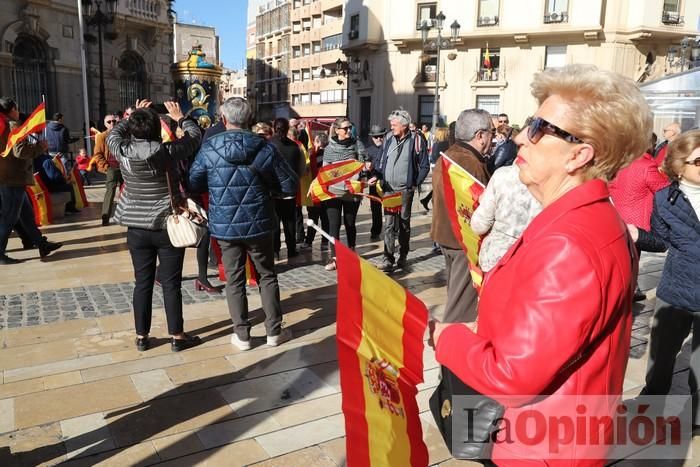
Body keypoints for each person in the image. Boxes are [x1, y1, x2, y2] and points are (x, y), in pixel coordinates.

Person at [431, 64, 650, 464]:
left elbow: (514, 378)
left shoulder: (567, 243)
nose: (519, 137)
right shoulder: (593, 218)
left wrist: (446, 338)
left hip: (540, 444)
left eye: (537, 127)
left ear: (579, 155)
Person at [189, 97, 298, 351]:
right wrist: (270, 189)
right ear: (250, 120)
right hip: (259, 222)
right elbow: (289, 183)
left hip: (225, 224)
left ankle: (242, 335)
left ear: (224, 119)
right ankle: (274, 331)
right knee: (267, 275)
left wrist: (215, 187)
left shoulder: (210, 148)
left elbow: (193, 182)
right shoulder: (264, 147)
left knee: (234, 279)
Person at [107, 100, 202, 353]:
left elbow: (113, 134)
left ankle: (141, 336)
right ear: (156, 129)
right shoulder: (167, 151)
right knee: (171, 284)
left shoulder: (122, 150)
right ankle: (177, 336)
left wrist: (134, 115)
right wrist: (180, 117)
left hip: (136, 228)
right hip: (166, 226)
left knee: (142, 283)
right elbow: (194, 137)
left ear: (134, 129)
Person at [630, 129, 700, 428]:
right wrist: (636, 235)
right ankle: (650, 405)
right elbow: (661, 240)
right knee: (661, 355)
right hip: (676, 291)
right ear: (680, 164)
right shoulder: (664, 199)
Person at [429, 109, 492, 323]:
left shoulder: (451, 154)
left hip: (447, 237)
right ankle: (450, 347)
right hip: (463, 242)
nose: (492, 138)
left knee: (456, 295)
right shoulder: (470, 163)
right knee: (461, 307)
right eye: (491, 133)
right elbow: (482, 207)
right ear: (480, 135)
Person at [0, 97, 62, 264]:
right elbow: (20, 151)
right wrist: (40, 147)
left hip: (11, 177)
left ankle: (41, 243)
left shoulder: (3, 124)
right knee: (9, 217)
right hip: (13, 177)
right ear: (13, 109)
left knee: (26, 215)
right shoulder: (12, 125)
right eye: (17, 107)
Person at [609, 137, 669, 301]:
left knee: (621, 258)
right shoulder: (646, 166)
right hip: (636, 220)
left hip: (615, 216)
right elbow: (663, 189)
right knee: (632, 258)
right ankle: (627, 292)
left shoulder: (618, 163)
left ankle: (627, 290)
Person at [374, 109, 429, 272]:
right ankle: (388, 258)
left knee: (404, 223)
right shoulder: (389, 139)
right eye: (391, 124)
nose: (392, 127)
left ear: (404, 125)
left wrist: (414, 183)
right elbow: (380, 159)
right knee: (389, 224)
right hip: (388, 189)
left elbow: (424, 165)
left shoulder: (416, 139)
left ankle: (403, 255)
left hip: (405, 190)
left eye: (394, 124)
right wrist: (375, 173)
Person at [470, 164, 541, 272]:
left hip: (496, 258)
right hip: (532, 262)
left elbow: (479, 226)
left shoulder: (502, 175)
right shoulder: (555, 182)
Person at [322, 117, 367, 271]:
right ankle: (334, 257)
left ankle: (352, 252)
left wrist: (364, 172)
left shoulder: (357, 144)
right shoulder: (329, 148)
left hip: (351, 192)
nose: (349, 130)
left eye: (350, 127)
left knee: (350, 224)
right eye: (345, 128)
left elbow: (363, 166)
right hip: (333, 193)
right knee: (333, 226)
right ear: (337, 130)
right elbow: (325, 171)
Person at [270, 118, 303, 260]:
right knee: (290, 222)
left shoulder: (268, 145)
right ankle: (291, 249)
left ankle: (275, 251)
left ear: (273, 127)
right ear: (288, 128)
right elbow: (301, 169)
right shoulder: (295, 147)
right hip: (289, 190)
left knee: (274, 222)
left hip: (272, 190)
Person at [301, 132, 330, 250]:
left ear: (317, 142)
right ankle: (324, 242)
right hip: (327, 191)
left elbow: (311, 171)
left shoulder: (313, 155)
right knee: (325, 217)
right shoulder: (329, 154)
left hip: (316, 190)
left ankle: (309, 242)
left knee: (313, 217)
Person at [93, 113, 121, 225]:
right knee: (110, 191)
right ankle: (105, 217)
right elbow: (97, 154)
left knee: (127, 191)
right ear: (105, 124)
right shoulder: (102, 136)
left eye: (114, 121)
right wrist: (106, 166)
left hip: (124, 165)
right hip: (112, 167)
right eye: (109, 122)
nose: (112, 123)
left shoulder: (122, 134)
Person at [420, 126, 451, 212]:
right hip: (441, 167)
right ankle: (431, 202)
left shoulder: (436, 143)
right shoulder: (445, 144)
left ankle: (426, 200)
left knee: (438, 186)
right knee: (441, 187)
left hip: (434, 166)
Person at [365, 124, 386, 240]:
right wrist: (366, 168)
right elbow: (363, 169)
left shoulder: (389, 149)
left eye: (381, 136)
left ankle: (393, 230)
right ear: (372, 138)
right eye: (375, 137)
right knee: (376, 209)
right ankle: (376, 231)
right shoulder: (368, 151)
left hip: (388, 184)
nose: (378, 139)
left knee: (391, 208)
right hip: (374, 184)